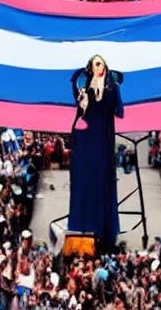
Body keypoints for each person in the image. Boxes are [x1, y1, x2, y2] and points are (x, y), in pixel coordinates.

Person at [68, 55, 124, 250]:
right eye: (94, 64)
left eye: (99, 63)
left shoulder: (111, 88)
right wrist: (76, 83)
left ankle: (104, 231)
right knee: (86, 180)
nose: (96, 67)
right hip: (87, 139)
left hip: (103, 139)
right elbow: (78, 106)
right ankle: (85, 226)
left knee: (103, 182)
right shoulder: (86, 88)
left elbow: (119, 111)